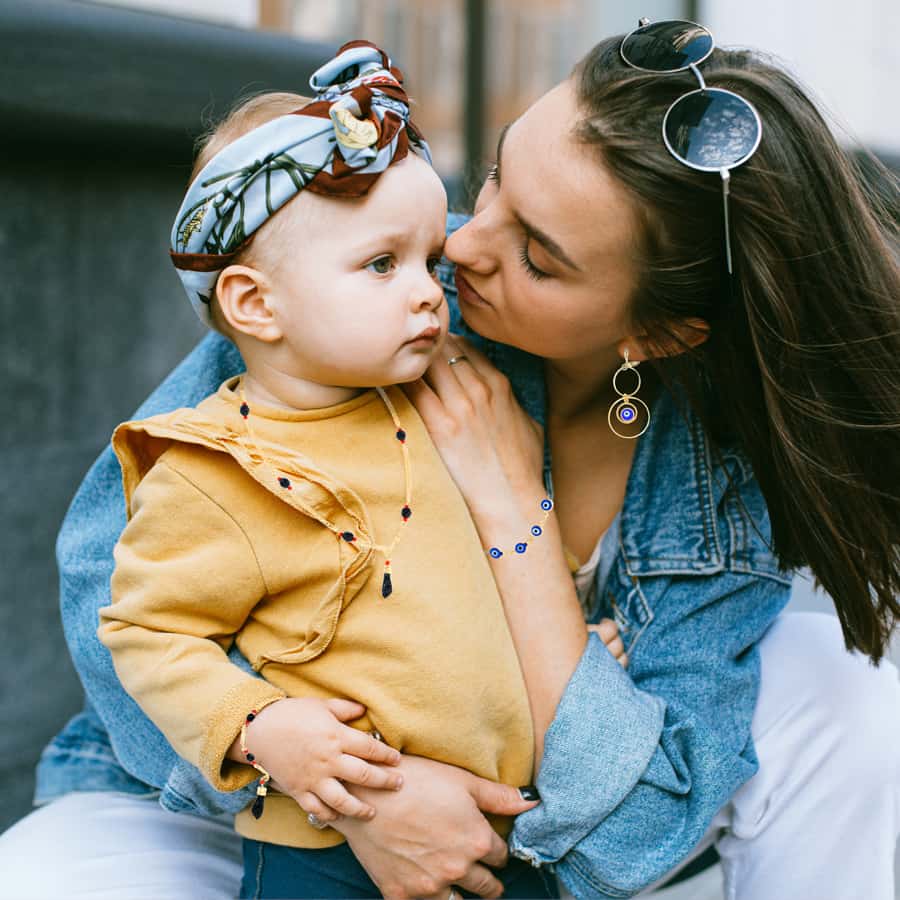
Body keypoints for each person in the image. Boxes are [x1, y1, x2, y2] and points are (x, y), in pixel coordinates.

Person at [3, 18, 899, 900]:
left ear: (658, 332)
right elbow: (108, 584)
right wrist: (360, 800)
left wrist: (515, 513)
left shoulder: (704, 475)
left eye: (536, 258)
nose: (463, 246)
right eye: (500, 174)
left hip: (516, 833)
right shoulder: (358, 287)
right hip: (238, 793)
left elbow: (634, 835)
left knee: (846, 696)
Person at [92, 40, 609, 899]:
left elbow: (482, 575)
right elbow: (148, 633)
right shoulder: (218, 469)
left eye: (428, 261)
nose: (428, 294)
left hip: (507, 834)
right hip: (326, 855)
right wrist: (257, 726)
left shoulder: (447, 405)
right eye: (381, 265)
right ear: (256, 304)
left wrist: (584, 639)